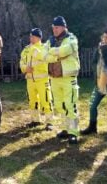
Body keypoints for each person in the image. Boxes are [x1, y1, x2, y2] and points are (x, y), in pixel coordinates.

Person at [45, 16, 80, 144]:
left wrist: (52, 52)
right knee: (59, 105)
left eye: (57, 27)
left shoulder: (71, 38)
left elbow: (66, 50)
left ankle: (73, 132)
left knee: (70, 105)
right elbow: (44, 55)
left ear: (64, 27)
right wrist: (57, 55)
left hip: (68, 78)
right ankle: (65, 129)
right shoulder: (51, 40)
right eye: (53, 27)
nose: (54, 30)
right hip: (54, 77)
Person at [20, 28, 54, 130]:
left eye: (33, 36)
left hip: (42, 79)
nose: (31, 38)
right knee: (32, 100)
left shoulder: (44, 48)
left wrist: (36, 50)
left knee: (46, 100)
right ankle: (35, 120)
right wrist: (25, 68)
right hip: (30, 79)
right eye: (30, 36)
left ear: (38, 37)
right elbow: (21, 61)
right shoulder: (26, 49)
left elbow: (46, 61)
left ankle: (50, 122)